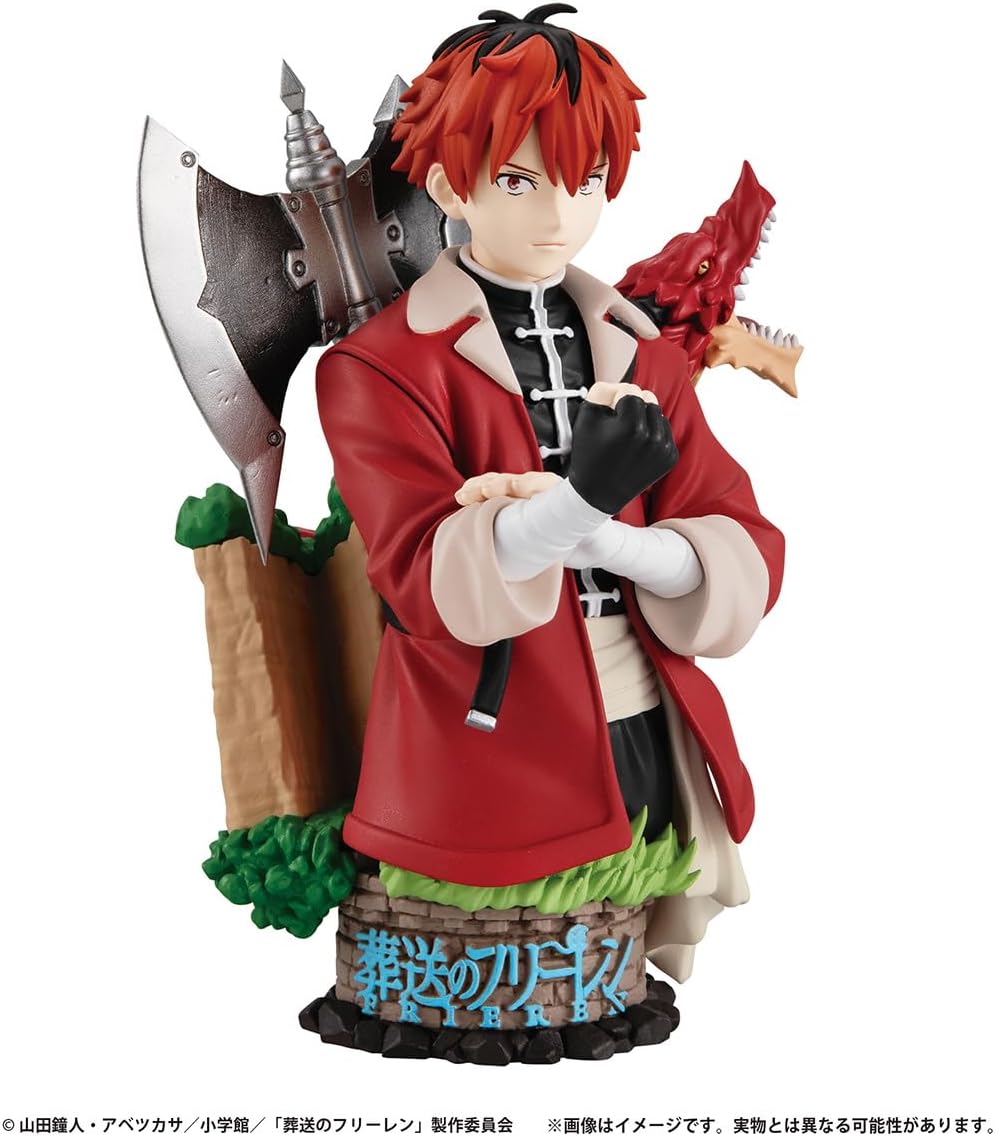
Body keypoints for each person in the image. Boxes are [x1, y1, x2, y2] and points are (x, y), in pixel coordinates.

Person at [316, 4, 784, 981]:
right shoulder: (378, 367)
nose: (559, 217)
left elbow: (735, 533)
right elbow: (420, 575)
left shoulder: (643, 351)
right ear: (448, 184)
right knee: (504, 936)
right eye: (518, 181)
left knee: (614, 933)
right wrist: (579, 502)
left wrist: (608, 537)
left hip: (640, 707)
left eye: (586, 180)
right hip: (480, 735)